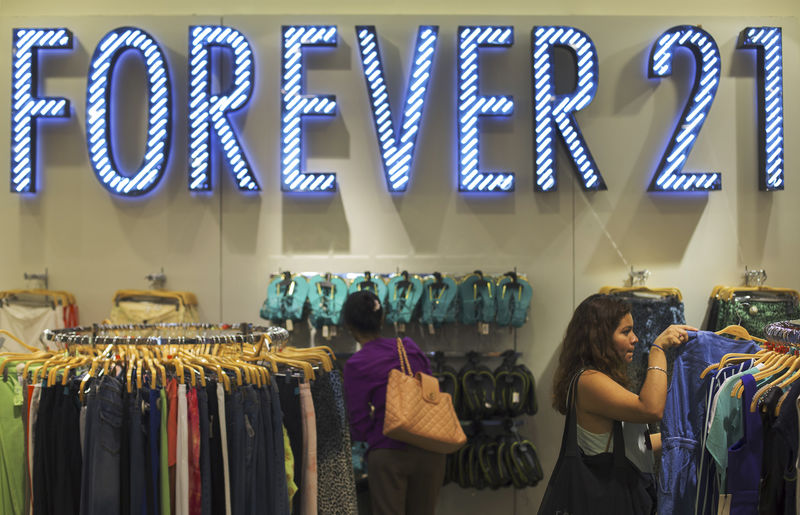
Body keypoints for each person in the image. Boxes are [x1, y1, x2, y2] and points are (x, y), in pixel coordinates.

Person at [550, 294, 697, 504]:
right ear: (598, 337)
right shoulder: (588, 381)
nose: (635, 338)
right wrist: (657, 351)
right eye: (625, 331)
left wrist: (687, 438)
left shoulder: (599, 379)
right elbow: (651, 409)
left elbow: (637, 445)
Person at [341, 290, 446, 515]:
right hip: (430, 449)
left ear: (348, 325)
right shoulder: (408, 347)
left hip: (389, 453)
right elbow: (429, 391)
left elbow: (358, 423)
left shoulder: (357, 364)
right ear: (382, 318)